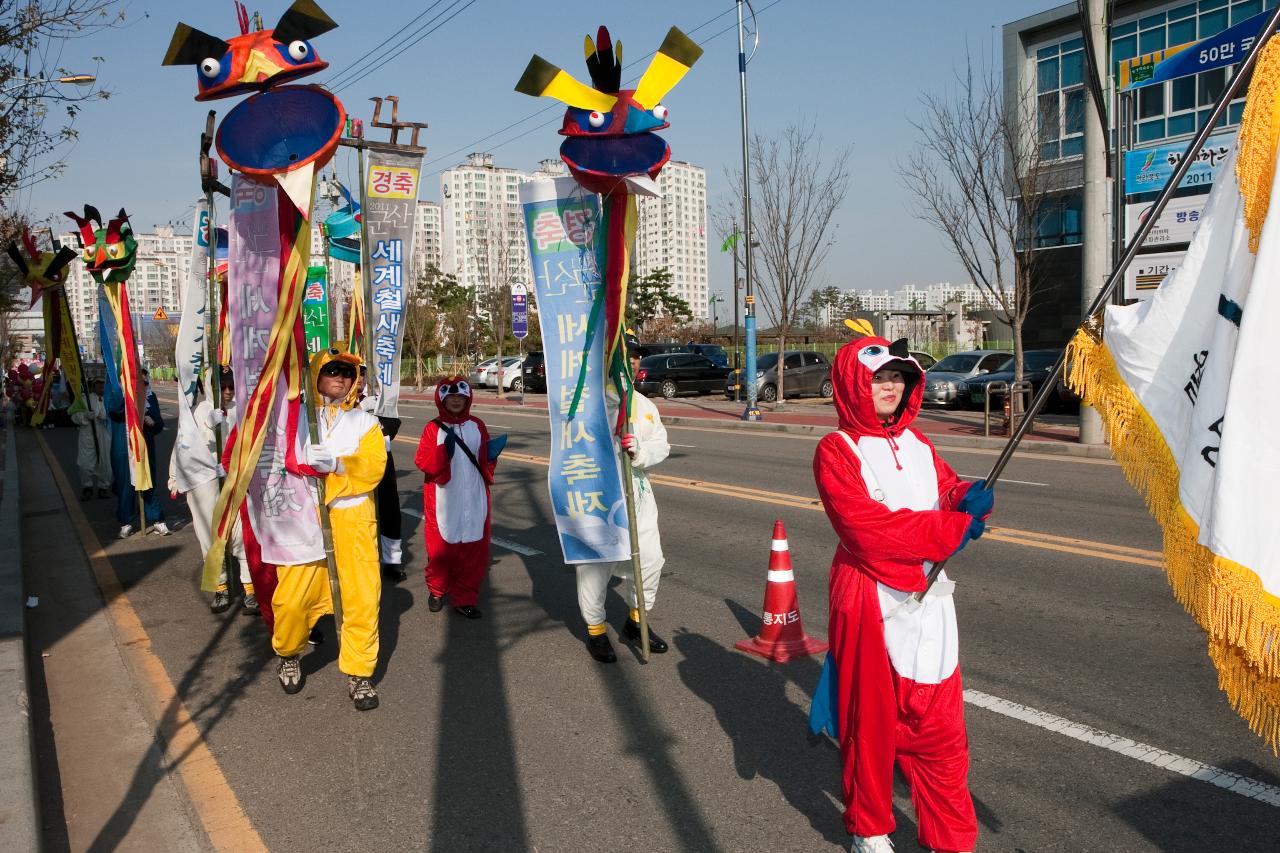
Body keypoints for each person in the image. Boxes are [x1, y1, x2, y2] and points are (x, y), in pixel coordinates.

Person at [811, 337, 992, 853]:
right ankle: (869, 828)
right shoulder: (836, 450)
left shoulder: (918, 444)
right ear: (853, 383)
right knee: (871, 725)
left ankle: (952, 838)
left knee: (940, 728)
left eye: (898, 377)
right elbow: (867, 530)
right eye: (877, 378)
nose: (889, 387)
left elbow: (946, 489)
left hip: (930, 601)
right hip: (870, 598)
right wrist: (947, 529)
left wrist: (967, 497)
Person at [276, 348, 386, 711]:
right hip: (304, 517)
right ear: (315, 376)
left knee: (362, 598)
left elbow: (373, 466)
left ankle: (359, 672)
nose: (339, 377)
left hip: (353, 518)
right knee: (292, 598)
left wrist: (339, 464)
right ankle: (290, 651)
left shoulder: (365, 423)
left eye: (346, 373)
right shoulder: (294, 419)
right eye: (332, 370)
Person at [574, 345, 671, 664]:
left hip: (637, 495)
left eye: (633, 358)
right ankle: (596, 631)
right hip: (598, 497)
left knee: (650, 559)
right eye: (621, 357)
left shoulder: (643, 406)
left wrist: (639, 450)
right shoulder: (588, 405)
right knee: (595, 566)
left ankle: (636, 621)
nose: (628, 363)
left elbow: (661, 444)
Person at [169, 367, 255, 614]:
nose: (227, 392)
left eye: (231, 386)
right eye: (222, 387)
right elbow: (184, 445)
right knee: (211, 535)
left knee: (242, 533)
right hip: (205, 484)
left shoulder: (242, 408)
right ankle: (221, 587)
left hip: (234, 479)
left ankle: (250, 589)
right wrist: (207, 427)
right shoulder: (200, 412)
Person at [414, 377, 495, 619]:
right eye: (451, 397)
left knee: (473, 549)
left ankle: (465, 598)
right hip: (444, 498)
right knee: (442, 549)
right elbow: (422, 461)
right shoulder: (432, 428)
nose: (456, 401)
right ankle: (437, 589)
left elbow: (487, 459)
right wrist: (443, 452)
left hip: (474, 494)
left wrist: (491, 454)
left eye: (460, 397)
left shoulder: (477, 425)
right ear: (442, 399)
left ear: (468, 398)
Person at [356, 366, 406, 582]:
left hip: (382, 460)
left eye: (361, 374)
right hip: (353, 464)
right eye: (352, 373)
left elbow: (394, 424)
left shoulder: (377, 399)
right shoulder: (335, 401)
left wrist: (375, 422)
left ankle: (392, 561)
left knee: (389, 510)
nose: (358, 378)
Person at [110, 367, 170, 538]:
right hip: (125, 447)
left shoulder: (150, 396)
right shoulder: (118, 394)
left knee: (148, 482)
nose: (141, 385)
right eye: (137, 382)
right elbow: (114, 411)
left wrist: (153, 421)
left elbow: (159, 424)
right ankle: (126, 521)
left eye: (144, 382)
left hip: (145, 446)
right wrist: (128, 400)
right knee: (126, 485)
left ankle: (157, 519)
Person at [71, 377, 112, 500]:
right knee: (84, 463)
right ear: (93, 386)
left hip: (105, 435)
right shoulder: (84, 400)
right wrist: (85, 416)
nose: (101, 387)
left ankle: (103, 488)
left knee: (105, 463)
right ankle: (87, 487)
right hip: (88, 435)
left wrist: (105, 417)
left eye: (102, 384)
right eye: (98, 385)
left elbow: (115, 416)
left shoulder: (110, 400)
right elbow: (74, 417)